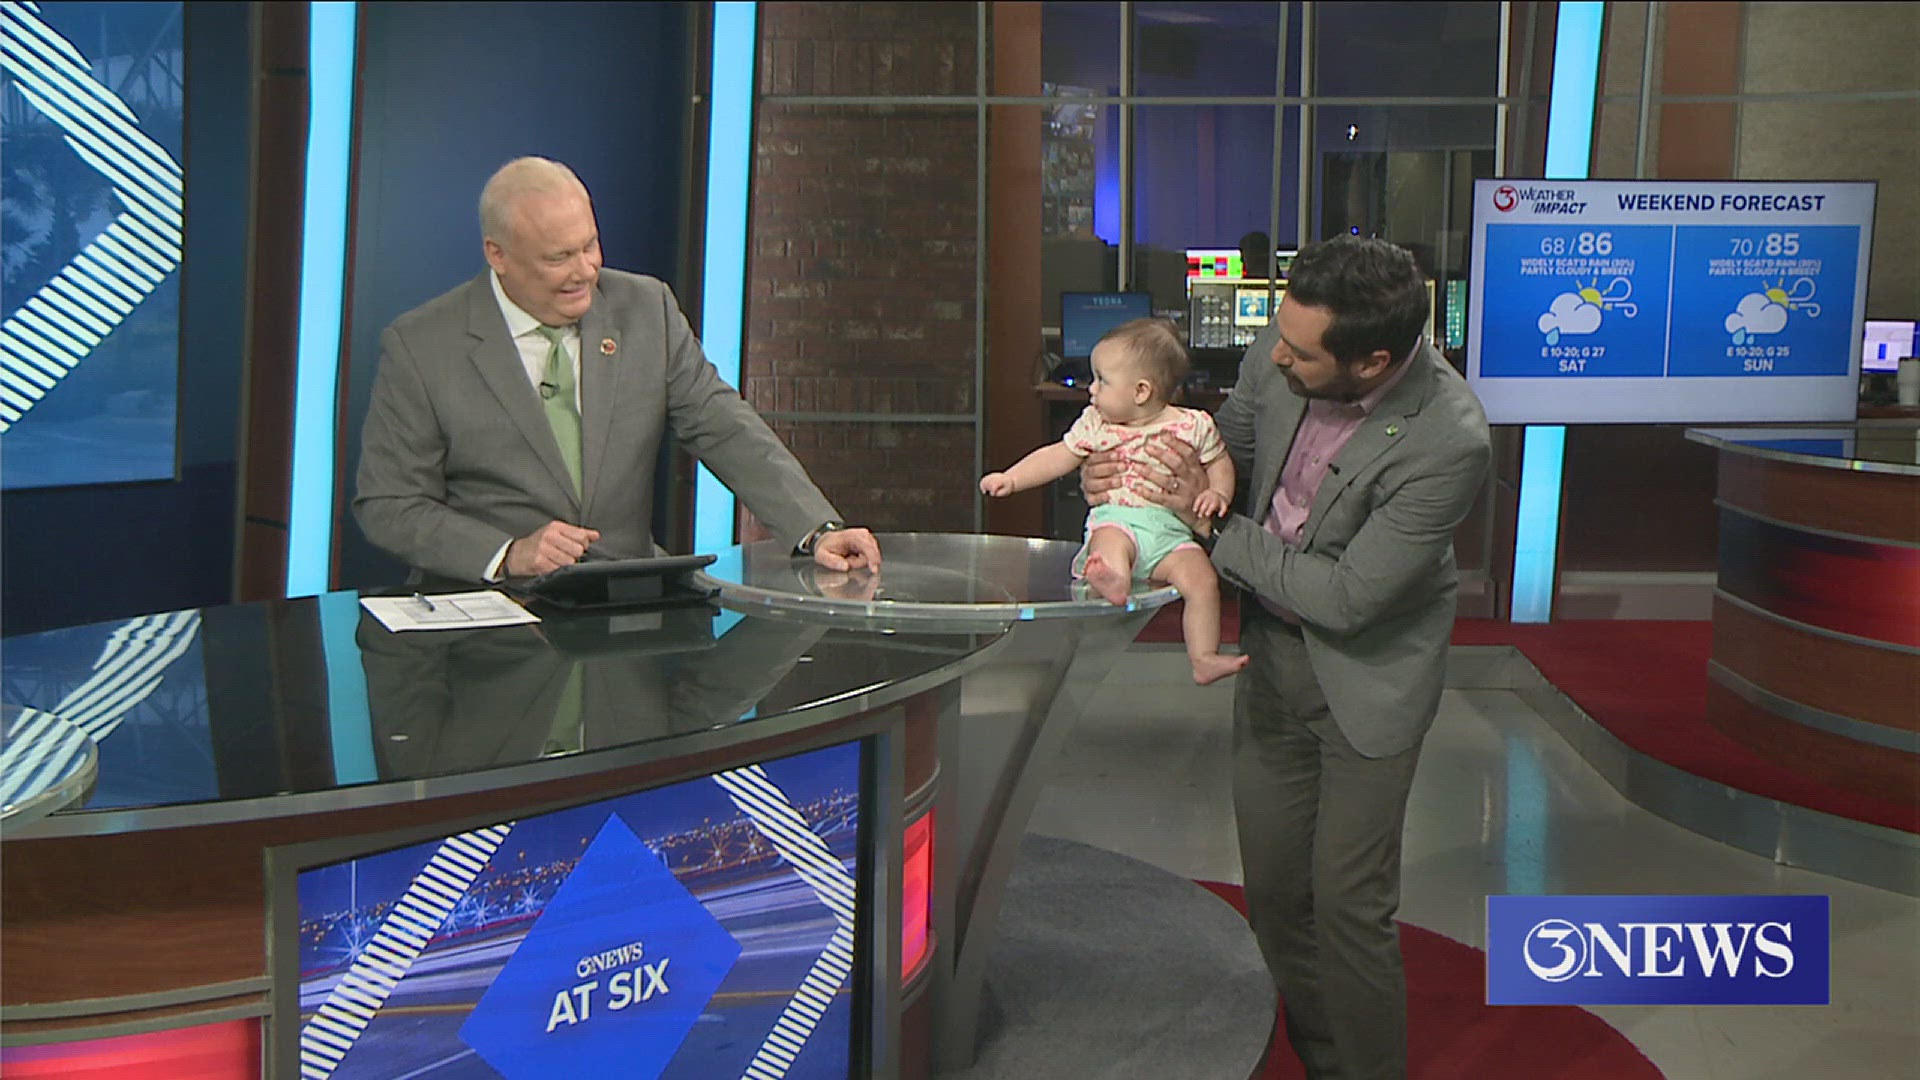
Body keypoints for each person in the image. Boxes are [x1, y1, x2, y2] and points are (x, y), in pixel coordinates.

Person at [1085, 237, 1491, 1079]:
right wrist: (1131, 467)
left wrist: (1209, 532)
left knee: (1349, 908)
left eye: (1299, 352)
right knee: (1274, 899)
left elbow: (1348, 599)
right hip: (1272, 662)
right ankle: (1324, 1062)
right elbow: (1216, 450)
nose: (1274, 359)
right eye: (1280, 336)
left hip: (1366, 682)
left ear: (1372, 359)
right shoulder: (1283, 364)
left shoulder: (1449, 440)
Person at [353, 156, 879, 582]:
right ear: (498, 254)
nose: (586, 271)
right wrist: (508, 553)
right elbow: (389, 502)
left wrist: (815, 529)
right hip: (489, 618)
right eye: (559, 257)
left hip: (624, 602)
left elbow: (722, 425)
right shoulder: (423, 345)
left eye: (590, 246)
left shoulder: (645, 308)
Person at [981, 319, 1248, 685]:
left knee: (1201, 580)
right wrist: (1011, 478)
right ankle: (1114, 580)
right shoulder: (1096, 423)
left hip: (1172, 533)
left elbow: (1219, 462)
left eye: (1102, 380)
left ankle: (1203, 657)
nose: (1091, 390)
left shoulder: (1193, 425)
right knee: (1111, 544)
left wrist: (1217, 493)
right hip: (1118, 518)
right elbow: (1057, 455)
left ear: (1141, 391)